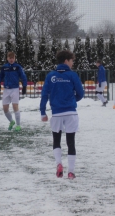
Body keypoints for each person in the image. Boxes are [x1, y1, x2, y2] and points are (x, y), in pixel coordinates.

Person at [40, 50, 84, 180]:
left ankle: (59, 164)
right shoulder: (72, 75)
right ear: (66, 61)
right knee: (71, 142)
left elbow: (44, 95)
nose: (72, 63)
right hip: (71, 113)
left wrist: (43, 112)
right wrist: (71, 100)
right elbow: (80, 93)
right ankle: (71, 172)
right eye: (72, 61)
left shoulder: (50, 76)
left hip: (57, 113)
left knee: (56, 140)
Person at [0, 52, 27, 131]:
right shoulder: (4, 67)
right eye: (10, 58)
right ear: (7, 58)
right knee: (5, 108)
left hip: (15, 89)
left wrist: (24, 86)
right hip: (6, 89)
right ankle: (11, 121)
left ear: (14, 58)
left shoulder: (18, 67)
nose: (11, 59)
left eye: (12, 58)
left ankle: (18, 125)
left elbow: (23, 76)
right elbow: (1, 76)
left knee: (15, 106)